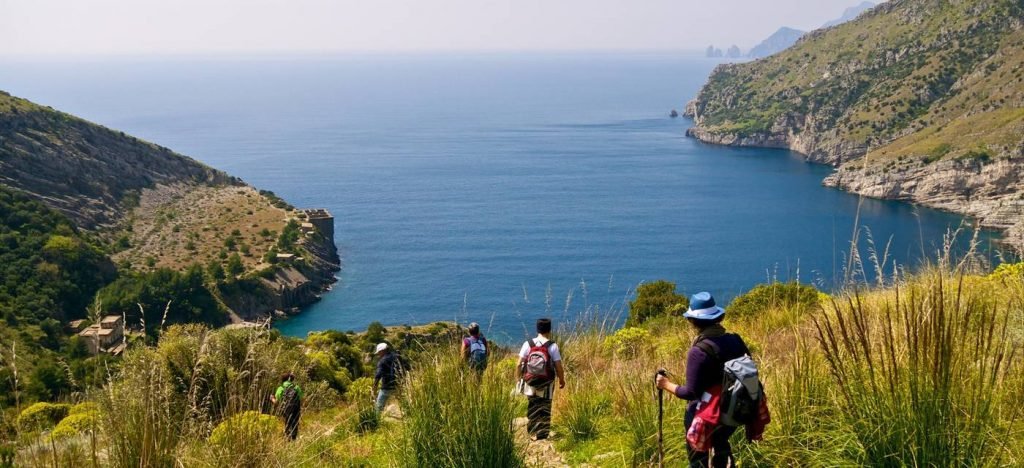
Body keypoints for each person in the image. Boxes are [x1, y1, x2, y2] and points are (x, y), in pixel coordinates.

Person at [656, 292, 751, 468]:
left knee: (698, 460)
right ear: (717, 317)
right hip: (734, 409)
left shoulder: (699, 351)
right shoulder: (735, 340)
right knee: (721, 450)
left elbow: (691, 393)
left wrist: (665, 384)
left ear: (693, 321)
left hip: (706, 414)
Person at [517, 317, 565, 440]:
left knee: (532, 404)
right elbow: (558, 366)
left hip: (530, 381)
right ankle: (542, 434)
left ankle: (531, 431)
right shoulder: (552, 346)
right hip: (546, 382)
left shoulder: (528, 344)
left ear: (537, 329)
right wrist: (561, 379)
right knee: (545, 406)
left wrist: (519, 379)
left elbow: (519, 364)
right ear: (549, 329)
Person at [271, 372, 303, 440]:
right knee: (295, 423)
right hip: (296, 409)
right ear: (292, 380)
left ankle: (288, 439)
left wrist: (272, 398)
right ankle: (294, 439)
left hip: (285, 409)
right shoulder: (297, 387)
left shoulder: (280, 388)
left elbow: (276, 402)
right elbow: (301, 399)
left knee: (287, 423)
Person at [372, 342, 401, 412]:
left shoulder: (382, 361)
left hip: (386, 387)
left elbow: (378, 375)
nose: (378, 354)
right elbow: (407, 368)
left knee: (379, 406)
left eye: (379, 352)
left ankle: (377, 420)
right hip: (399, 385)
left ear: (382, 351)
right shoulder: (398, 357)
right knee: (403, 403)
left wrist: (374, 388)